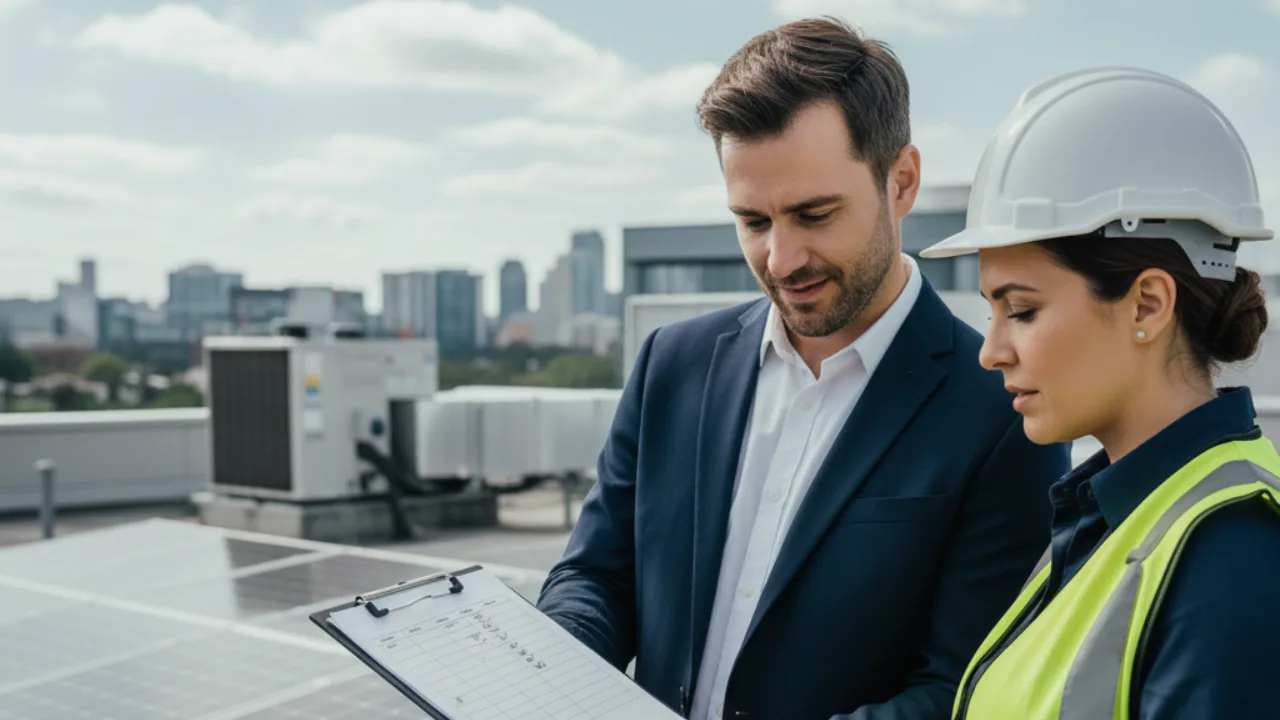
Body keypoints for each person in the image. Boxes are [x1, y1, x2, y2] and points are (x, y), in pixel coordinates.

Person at [535, 17, 1070, 720]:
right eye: (754, 222)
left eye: (814, 214)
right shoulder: (673, 363)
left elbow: (962, 692)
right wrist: (544, 665)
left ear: (901, 182)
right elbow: (597, 575)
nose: (781, 261)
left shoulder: (1002, 413)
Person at [919, 66, 1280, 719]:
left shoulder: (1234, 553)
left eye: (1021, 311)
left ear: (1146, 303)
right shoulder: (1112, 513)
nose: (990, 350)